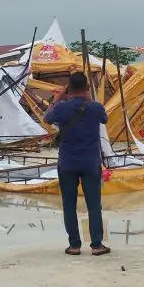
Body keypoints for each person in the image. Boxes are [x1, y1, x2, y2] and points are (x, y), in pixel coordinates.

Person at [44, 72, 110, 256]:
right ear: (87, 88)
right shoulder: (95, 107)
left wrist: (57, 99)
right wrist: (88, 98)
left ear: (69, 89)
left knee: (69, 203)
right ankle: (97, 245)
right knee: (94, 204)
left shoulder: (62, 108)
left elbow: (46, 119)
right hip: (90, 162)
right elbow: (104, 119)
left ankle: (74, 245)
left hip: (67, 163)